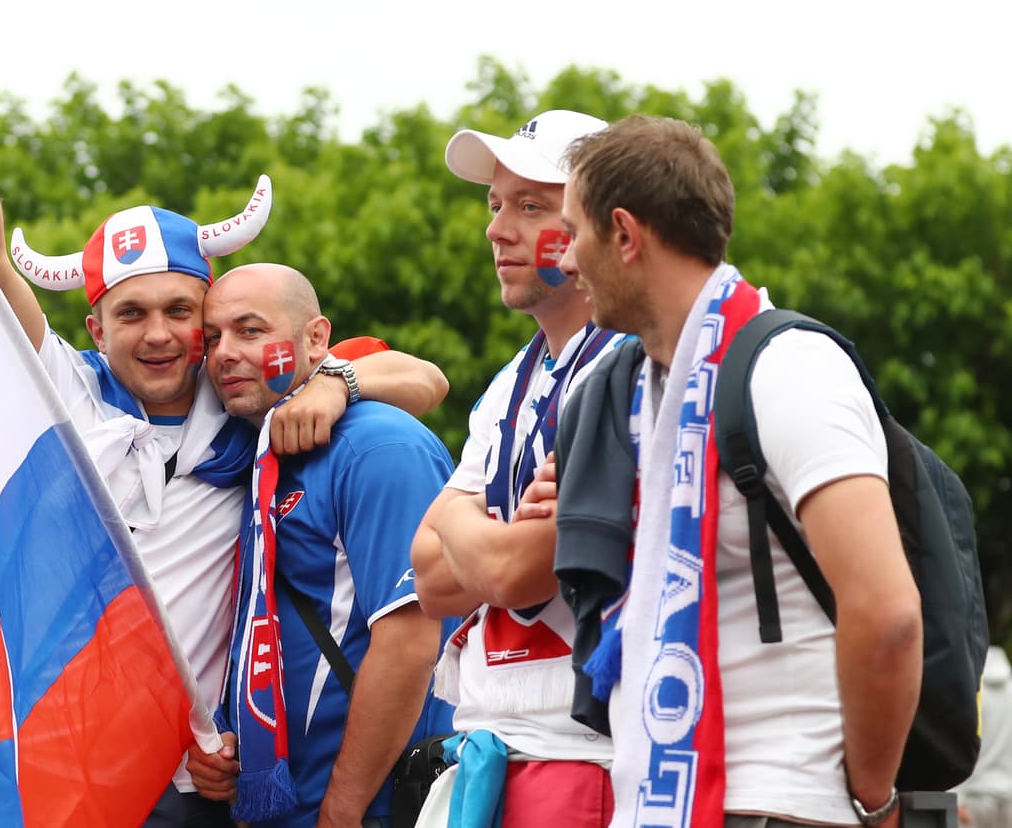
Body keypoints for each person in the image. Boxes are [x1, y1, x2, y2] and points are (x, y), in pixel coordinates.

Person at [0, 0, 447, 827]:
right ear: (95, 330)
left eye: (180, 311)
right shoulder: (63, 394)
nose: (159, 334)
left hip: (194, 779)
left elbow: (423, 379)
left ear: (207, 315)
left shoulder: (243, 393)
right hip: (65, 765)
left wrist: (334, 382)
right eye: (131, 313)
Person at [556, 114, 922, 828]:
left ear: (625, 235)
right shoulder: (638, 395)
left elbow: (888, 615)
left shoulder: (790, 369)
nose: (566, 260)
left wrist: (874, 801)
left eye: (574, 233)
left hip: (782, 805)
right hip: (665, 801)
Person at [407, 110, 623, 826]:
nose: (497, 230)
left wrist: (460, 519)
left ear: (599, 223)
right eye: (496, 204)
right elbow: (429, 577)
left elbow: (515, 573)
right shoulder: (511, 382)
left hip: (586, 757)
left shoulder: (631, 364)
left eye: (531, 206)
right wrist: (486, 531)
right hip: (489, 754)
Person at [187, 263, 456, 828]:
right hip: (283, 805)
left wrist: (343, 806)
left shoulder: (379, 445)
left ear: (315, 338)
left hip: (369, 809)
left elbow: (410, 641)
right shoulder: (252, 452)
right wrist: (236, 747)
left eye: (250, 330)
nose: (225, 353)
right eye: (212, 338)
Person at [955, 646, 1012, 827]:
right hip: (1008, 796)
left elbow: (959, 742)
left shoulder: (970, 689)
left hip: (971, 800)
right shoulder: (1009, 688)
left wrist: (955, 795)